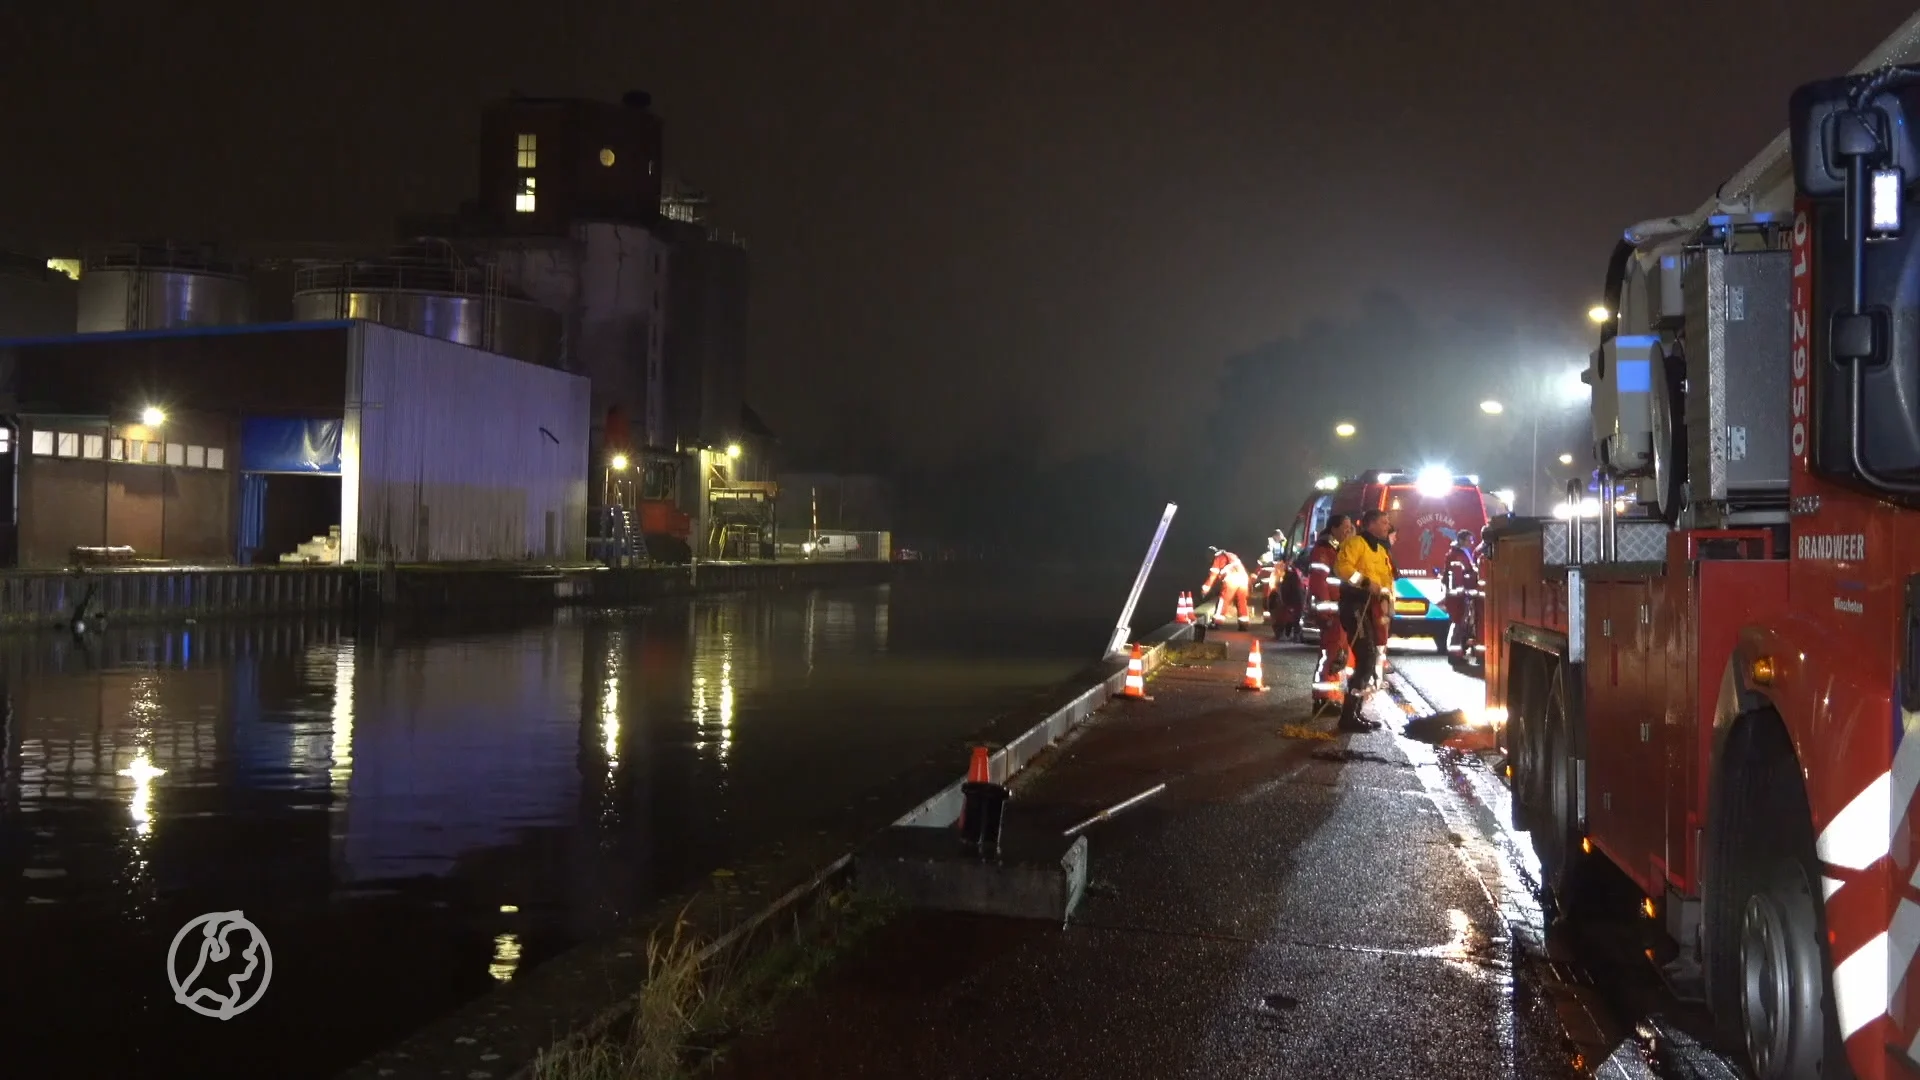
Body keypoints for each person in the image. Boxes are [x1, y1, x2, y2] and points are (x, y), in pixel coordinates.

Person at [1333, 509, 1395, 732]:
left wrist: (1387, 599)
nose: (1388, 525)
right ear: (1370, 524)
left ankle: (1354, 713)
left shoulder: (1380, 549)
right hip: (1355, 605)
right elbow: (1343, 568)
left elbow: (1386, 580)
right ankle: (1348, 716)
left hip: (1371, 608)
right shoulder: (1356, 543)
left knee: (1369, 658)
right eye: (1383, 522)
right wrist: (1366, 582)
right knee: (1366, 656)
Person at [1306, 514, 1354, 705]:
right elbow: (1319, 583)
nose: (1348, 531)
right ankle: (1322, 699)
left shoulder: (1337, 549)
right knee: (1330, 655)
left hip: (1338, 610)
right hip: (1331, 611)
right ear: (1333, 528)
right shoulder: (1324, 550)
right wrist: (1325, 612)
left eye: (1350, 527)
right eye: (1345, 526)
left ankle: (1330, 697)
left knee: (1337, 655)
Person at [1441, 529, 1481, 663]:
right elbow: (1460, 576)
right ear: (1462, 541)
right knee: (1458, 625)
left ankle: (1458, 652)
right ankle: (1455, 655)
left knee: (1460, 625)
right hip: (1457, 597)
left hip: (1459, 596)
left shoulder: (1460, 553)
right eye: (1469, 540)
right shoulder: (1457, 556)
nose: (1472, 543)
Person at [1200, 548, 1252, 630]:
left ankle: (1216, 623)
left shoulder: (1218, 558)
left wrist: (1205, 589)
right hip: (1243, 579)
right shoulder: (1231, 555)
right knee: (1241, 601)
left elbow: (1213, 576)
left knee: (1223, 601)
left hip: (1231, 579)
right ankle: (1244, 624)